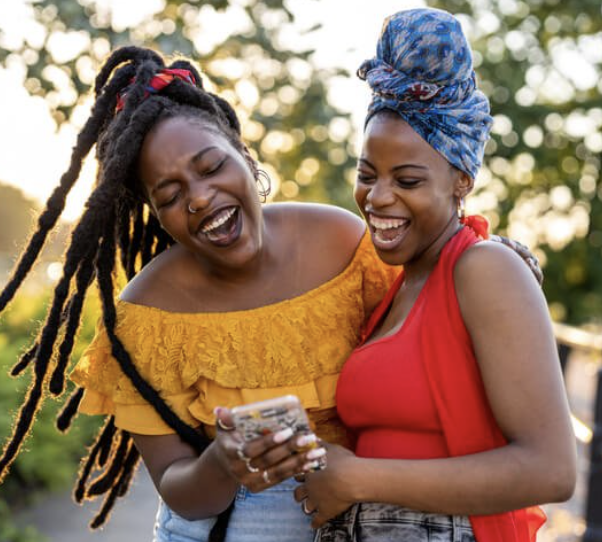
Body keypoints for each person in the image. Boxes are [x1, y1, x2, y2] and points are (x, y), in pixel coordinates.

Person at [0, 44, 542, 542]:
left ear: (242, 153)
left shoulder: (343, 241)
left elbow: (426, 300)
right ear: (155, 212)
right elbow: (177, 489)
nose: (199, 197)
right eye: (169, 195)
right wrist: (223, 462)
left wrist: (490, 256)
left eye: (211, 166)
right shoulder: (146, 316)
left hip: (359, 509)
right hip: (236, 518)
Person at [293, 8, 577, 542]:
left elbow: (551, 470)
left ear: (460, 181)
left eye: (407, 179)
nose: (377, 198)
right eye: (367, 174)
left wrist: (356, 478)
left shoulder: (484, 269)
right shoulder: (391, 287)